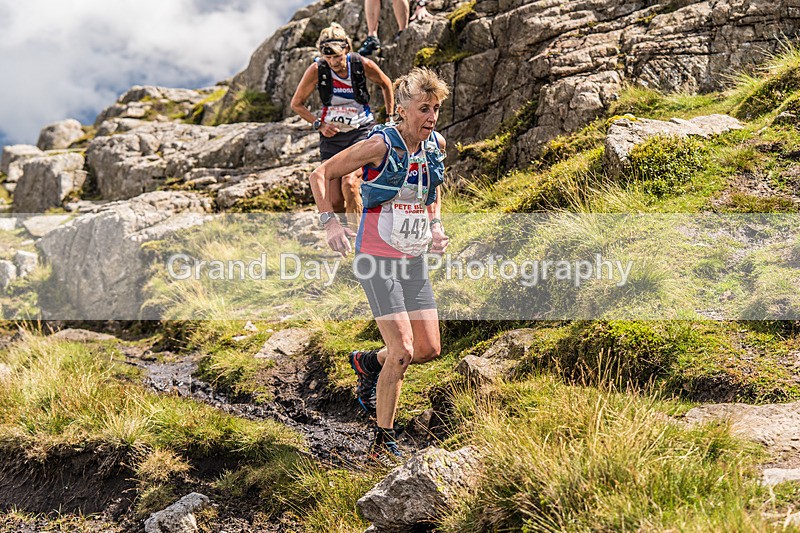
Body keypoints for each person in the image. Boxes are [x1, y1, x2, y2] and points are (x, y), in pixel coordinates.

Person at [308, 68, 450, 464]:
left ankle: (367, 363)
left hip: (413, 257)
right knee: (402, 351)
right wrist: (330, 222)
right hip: (376, 256)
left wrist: (435, 225)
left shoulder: (435, 144)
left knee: (427, 349)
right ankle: (381, 442)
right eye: (423, 109)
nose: (431, 117)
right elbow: (321, 173)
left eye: (436, 108)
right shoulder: (378, 145)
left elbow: (431, 189)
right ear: (401, 110)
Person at [291, 23, 393, 227]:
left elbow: (386, 83)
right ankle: (345, 232)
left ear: (346, 48)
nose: (333, 62)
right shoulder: (317, 69)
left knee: (350, 184)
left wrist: (389, 117)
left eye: (337, 57)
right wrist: (319, 124)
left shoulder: (360, 64)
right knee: (334, 200)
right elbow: (296, 104)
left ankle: (360, 237)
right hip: (332, 137)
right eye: (328, 58)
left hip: (360, 131)